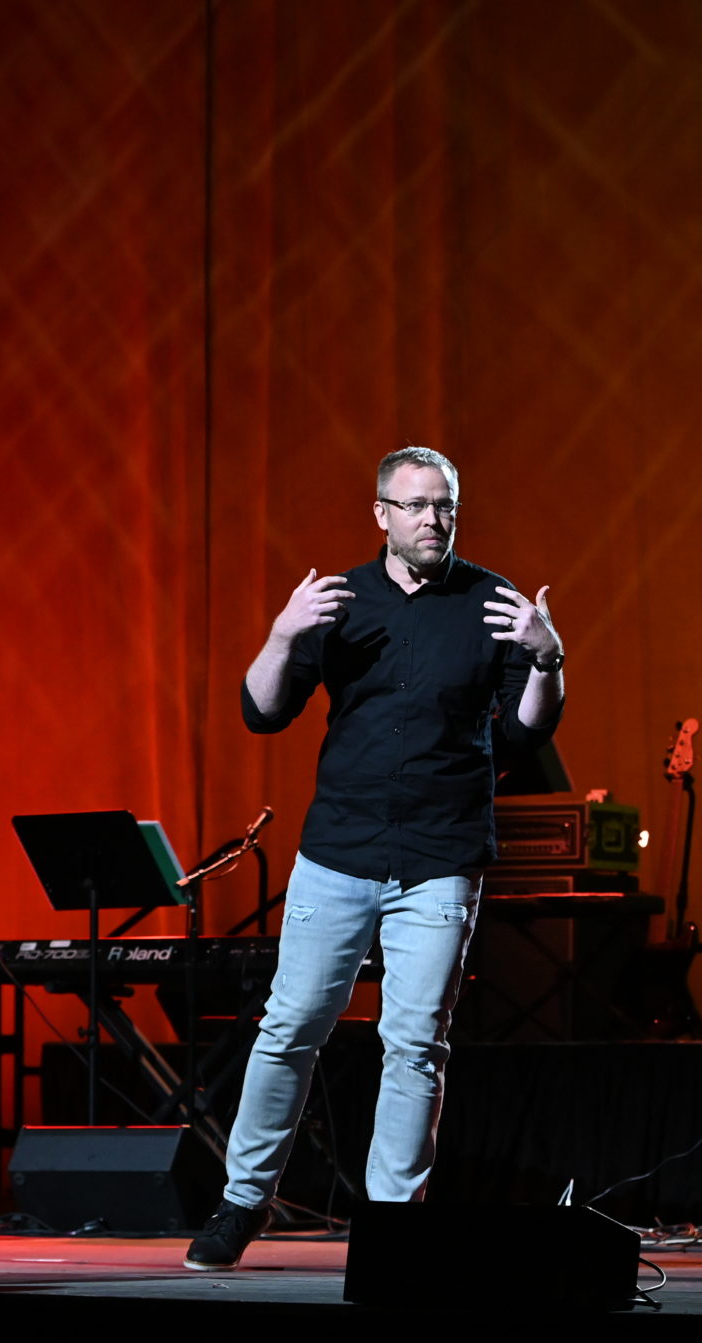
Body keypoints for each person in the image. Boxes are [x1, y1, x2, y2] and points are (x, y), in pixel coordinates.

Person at [185, 445, 565, 1270]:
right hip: (340, 852)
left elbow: (531, 730)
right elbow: (261, 709)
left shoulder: (492, 601)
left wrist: (547, 658)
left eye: (446, 506)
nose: (434, 519)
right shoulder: (341, 600)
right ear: (383, 514)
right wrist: (284, 633)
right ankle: (240, 1202)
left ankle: (393, 1229)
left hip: (440, 855)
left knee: (415, 1041)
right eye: (418, 505)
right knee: (289, 1028)